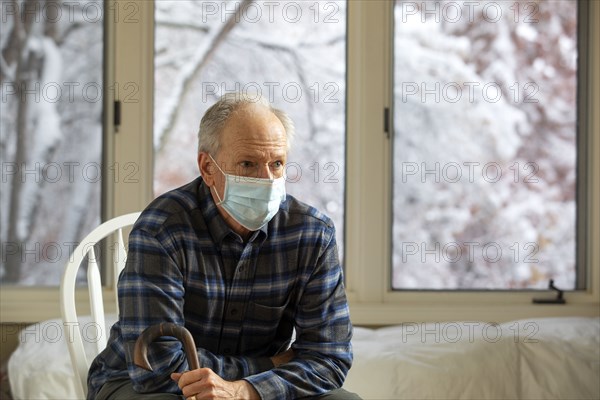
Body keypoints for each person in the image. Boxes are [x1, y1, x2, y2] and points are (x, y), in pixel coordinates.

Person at [87, 93, 359, 400]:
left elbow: (330, 358)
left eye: (277, 163)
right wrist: (268, 366)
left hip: (255, 390)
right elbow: (156, 367)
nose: (267, 179)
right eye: (248, 164)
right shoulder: (162, 228)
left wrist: (245, 391)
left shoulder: (311, 234)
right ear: (207, 167)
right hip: (145, 387)